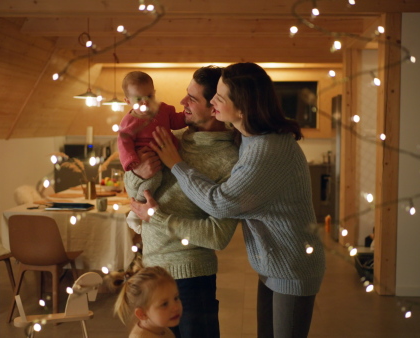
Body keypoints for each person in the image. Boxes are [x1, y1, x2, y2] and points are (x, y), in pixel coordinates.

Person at [140, 62, 326, 338]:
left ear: (242, 108)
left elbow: (221, 203)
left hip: (292, 265)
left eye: (220, 96)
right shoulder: (251, 138)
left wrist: (176, 165)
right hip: (273, 261)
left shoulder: (267, 150)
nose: (214, 100)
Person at [125, 65, 239, 338]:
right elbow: (131, 191)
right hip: (152, 270)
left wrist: (158, 218)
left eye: (193, 98)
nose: (181, 102)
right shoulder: (170, 137)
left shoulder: (230, 161)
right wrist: (139, 173)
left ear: (214, 107)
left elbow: (219, 235)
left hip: (192, 279)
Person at [118, 71, 188, 233]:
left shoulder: (163, 110)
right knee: (153, 181)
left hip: (167, 156)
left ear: (154, 93)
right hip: (146, 157)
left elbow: (175, 121)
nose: (145, 102)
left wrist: (187, 117)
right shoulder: (129, 122)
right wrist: (131, 161)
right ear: (127, 101)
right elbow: (124, 143)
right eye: (138, 99)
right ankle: (137, 211)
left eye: (149, 96)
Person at [111, 257, 183, 338]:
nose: (175, 307)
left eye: (176, 298)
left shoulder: (162, 329)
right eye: (164, 304)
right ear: (142, 314)